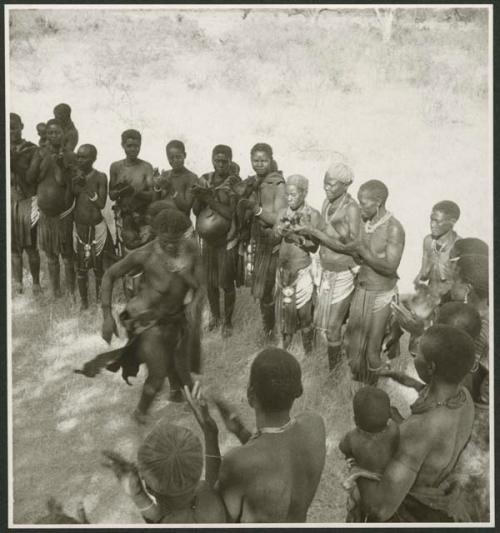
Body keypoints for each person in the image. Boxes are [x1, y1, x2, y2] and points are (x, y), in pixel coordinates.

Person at [75, 209, 203, 422]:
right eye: (165, 241)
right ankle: (140, 413)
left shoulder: (192, 250)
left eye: (175, 241)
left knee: (182, 362)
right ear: (156, 236)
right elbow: (109, 275)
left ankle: (177, 392)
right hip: (145, 319)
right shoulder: (146, 254)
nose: (171, 245)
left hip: (175, 318)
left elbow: (201, 286)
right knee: (158, 372)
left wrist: (194, 302)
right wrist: (107, 316)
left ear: (183, 236)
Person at [350, 325, 475, 522]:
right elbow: (429, 447)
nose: (415, 355)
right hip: (439, 502)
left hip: (409, 513)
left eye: (418, 354)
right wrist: (403, 379)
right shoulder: (463, 399)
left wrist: (359, 463)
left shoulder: (420, 429)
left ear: (431, 367)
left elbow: (379, 509)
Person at [187, 348, 326, 523]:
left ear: (250, 394)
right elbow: (276, 456)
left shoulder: (238, 462)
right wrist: (241, 432)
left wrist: (210, 433)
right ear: (298, 390)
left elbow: (216, 518)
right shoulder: (315, 426)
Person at [295, 162, 360, 370]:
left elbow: (352, 247)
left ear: (345, 185)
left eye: (331, 185)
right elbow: (324, 234)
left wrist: (314, 232)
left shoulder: (352, 209)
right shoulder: (327, 203)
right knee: (326, 326)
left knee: (332, 327)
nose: (326, 188)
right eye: (324, 183)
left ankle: (334, 374)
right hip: (326, 271)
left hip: (343, 273)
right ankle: (331, 365)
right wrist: (303, 232)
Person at [102, 421, 226, 523]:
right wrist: (211, 436)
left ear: (149, 487)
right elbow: (213, 480)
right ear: (198, 471)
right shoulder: (213, 497)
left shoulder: (165, 523)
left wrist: (138, 495)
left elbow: (157, 517)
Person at [344, 180, 405, 385]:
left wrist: (363, 253)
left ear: (378, 202)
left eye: (364, 204)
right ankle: (360, 392)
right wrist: (314, 233)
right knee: (352, 346)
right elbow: (355, 252)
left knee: (372, 351)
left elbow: (390, 267)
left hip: (381, 294)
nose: (360, 208)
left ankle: (376, 395)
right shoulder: (365, 223)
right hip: (362, 290)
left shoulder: (394, 229)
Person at [238, 143, 287, 341]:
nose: (259, 164)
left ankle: (274, 334)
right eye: (255, 160)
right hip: (257, 242)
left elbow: (279, 219)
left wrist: (256, 209)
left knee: (269, 291)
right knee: (262, 291)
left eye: (263, 160)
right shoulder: (253, 183)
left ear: (271, 159)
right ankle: (268, 331)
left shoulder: (277, 184)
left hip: (272, 244)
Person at [193, 145, 240, 337]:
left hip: (226, 240)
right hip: (209, 241)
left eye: (224, 161)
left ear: (230, 161)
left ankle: (227, 322)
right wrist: (200, 196)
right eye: (217, 160)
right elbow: (196, 211)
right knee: (210, 283)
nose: (220, 164)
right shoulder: (205, 179)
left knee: (226, 282)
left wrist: (210, 199)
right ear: (212, 159)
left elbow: (231, 214)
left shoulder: (234, 183)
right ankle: (215, 317)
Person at [27, 118, 77, 298]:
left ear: (64, 134)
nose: (54, 136)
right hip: (46, 213)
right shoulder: (40, 153)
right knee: (50, 256)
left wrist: (61, 164)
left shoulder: (70, 155)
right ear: (46, 135)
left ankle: (72, 292)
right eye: (50, 133)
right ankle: (56, 292)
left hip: (64, 213)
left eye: (57, 133)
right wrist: (42, 161)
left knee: (67, 255)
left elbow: (69, 182)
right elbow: (30, 178)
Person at [274, 174, 321, 353]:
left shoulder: (312, 215)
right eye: (287, 194)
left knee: (304, 315)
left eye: (293, 194)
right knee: (285, 314)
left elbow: (314, 247)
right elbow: (273, 239)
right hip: (283, 272)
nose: (289, 198)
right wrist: (279, 233)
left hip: (301, 271)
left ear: (305, 193)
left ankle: (309, 353)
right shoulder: (282, 213)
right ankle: (284, 353)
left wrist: (296, 238)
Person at [339, 386, 399, 522]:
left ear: (355, 420)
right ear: (389, 415)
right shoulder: (394, 431)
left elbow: (343, 447)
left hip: (366, 497)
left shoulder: (352, 437)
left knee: (354, 503)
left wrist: (353, 458)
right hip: (392, 492)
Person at [72, 144, 113, 310]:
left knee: (98, 268)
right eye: (78, 156)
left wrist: (86, 187)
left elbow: (101, 204)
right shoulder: (74, 176)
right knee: (81, 269)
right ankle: (83, 302)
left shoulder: (100, 177)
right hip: (79, 228)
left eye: (84, 157)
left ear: (93, 159)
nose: (80, 160)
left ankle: (97, 301)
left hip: (97, 228)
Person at [109, 129, 154, 255]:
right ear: (122, 145)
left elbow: (152, 196)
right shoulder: (116, 167)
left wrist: (134, 191)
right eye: (129, 146)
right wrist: (121, 190)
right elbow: (111, 195)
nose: (133, 149)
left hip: (144, 215)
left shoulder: (146, 167)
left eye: (137, 146)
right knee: (128, 247)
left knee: (145, 249)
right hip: (125, 216)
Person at [10, 113, 41, 295]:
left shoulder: (32, 149)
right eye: (8, 128)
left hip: (27, 201)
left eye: (14, 127)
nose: (12, 131)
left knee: (31, 246)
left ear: (22, 126)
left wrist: (14, 160)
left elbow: (31, 177)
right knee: (14, 247)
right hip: (10, 201)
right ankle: (18, 284)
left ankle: (36, 284)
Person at [414, 201, 461, 298]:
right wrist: (419, 279)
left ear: (452, 221)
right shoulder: (428, 241)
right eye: (431, 220)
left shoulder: (459, 245)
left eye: (437, 221)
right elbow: (423, 274)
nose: (432, 225)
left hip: (450, 298)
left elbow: (459, 282)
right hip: (431, 295)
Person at [152, 140, 198, 217]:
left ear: (185, 155)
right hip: (162, 220)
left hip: (181, 222)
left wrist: (170, 188)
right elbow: (154, 204)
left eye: (178, 157)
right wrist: (157, 186)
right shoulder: (165, 175)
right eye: (171, 158)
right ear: (167, 158)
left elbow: (186, 207)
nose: (175, 161)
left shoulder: (191, 177)